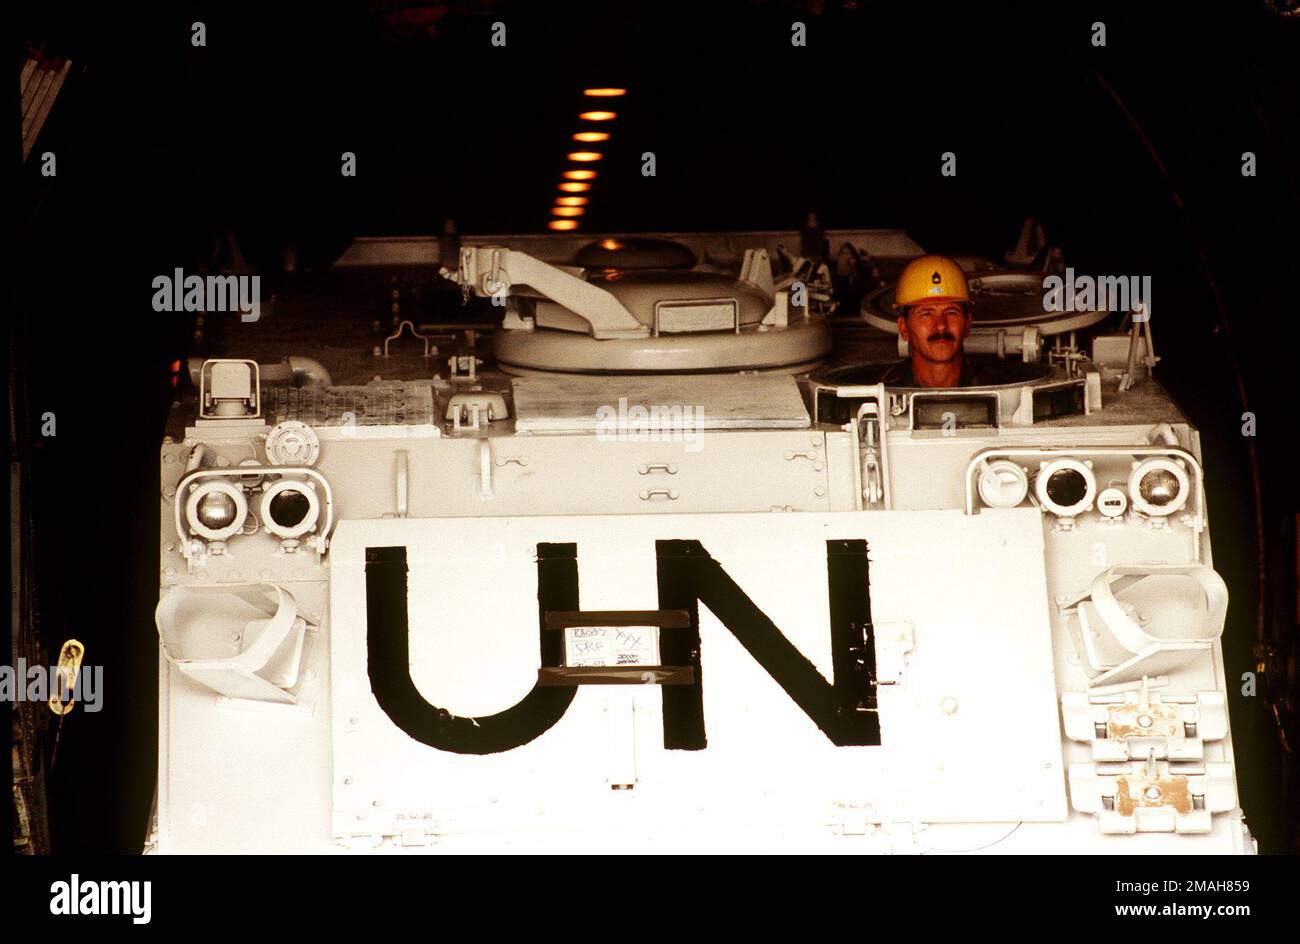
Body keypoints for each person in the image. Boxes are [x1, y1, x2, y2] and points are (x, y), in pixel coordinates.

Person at [881, 254, 987, 388]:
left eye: (951, 312)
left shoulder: (1001, 386)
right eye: (926, 314)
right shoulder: (879, 391)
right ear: (904, 328)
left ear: (967, 324)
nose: (941, 326)